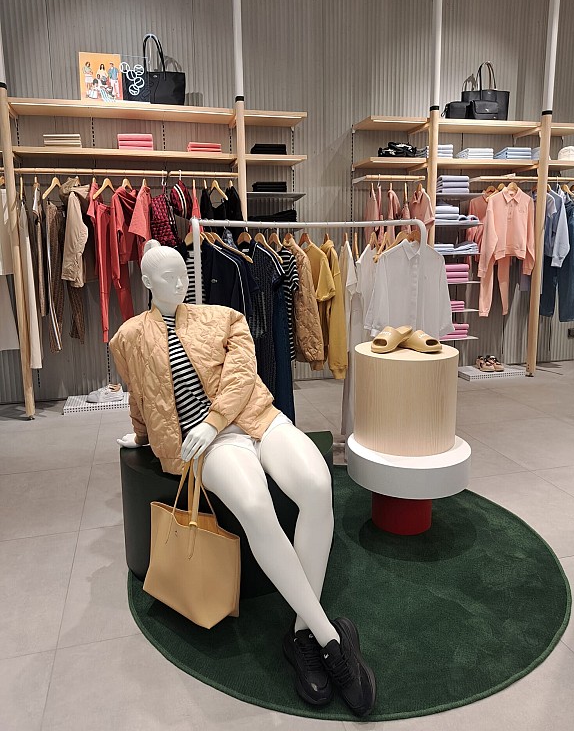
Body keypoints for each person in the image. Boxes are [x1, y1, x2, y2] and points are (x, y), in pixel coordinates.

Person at [109, 241, 376, 717]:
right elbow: (140, 394)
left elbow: (242, 375)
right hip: (208, 446)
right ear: (147, 282)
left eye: (184, 273)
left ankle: (303, 635)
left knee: (318, 487)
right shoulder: (127, 337)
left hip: (256, 418)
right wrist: (142, 436)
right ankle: (332, 642)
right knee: (255, 508)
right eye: (168, 277)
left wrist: (214, 420)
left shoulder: (224, 317)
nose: (180, 283)